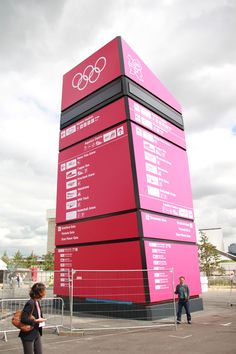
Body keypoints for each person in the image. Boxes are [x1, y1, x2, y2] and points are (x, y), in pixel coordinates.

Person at [19, 282, 47, 354]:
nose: (45, 292)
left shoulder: (36, 302)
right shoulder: (30, 303)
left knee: (39, 352)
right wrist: (36, 321)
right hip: (28, 334)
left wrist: (40, 320)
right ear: (39, 292)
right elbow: (23, 319)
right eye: (44, 290)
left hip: (36, 331)